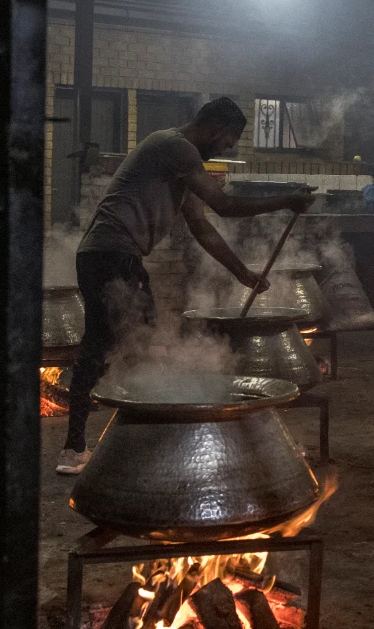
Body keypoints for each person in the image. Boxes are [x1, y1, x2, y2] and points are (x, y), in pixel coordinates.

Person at [56, 98, 314, 475]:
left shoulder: (181, 161)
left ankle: (90, 447)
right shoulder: (174, 146)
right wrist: (286, 200)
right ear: (213, 128)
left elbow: (202, 225)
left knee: (122, 346)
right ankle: (108, 449)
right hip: (112, 257)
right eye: (228, 140)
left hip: (112, 257)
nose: (226, 149)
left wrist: (242, 273)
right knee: (118, 348)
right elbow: (224, 206)